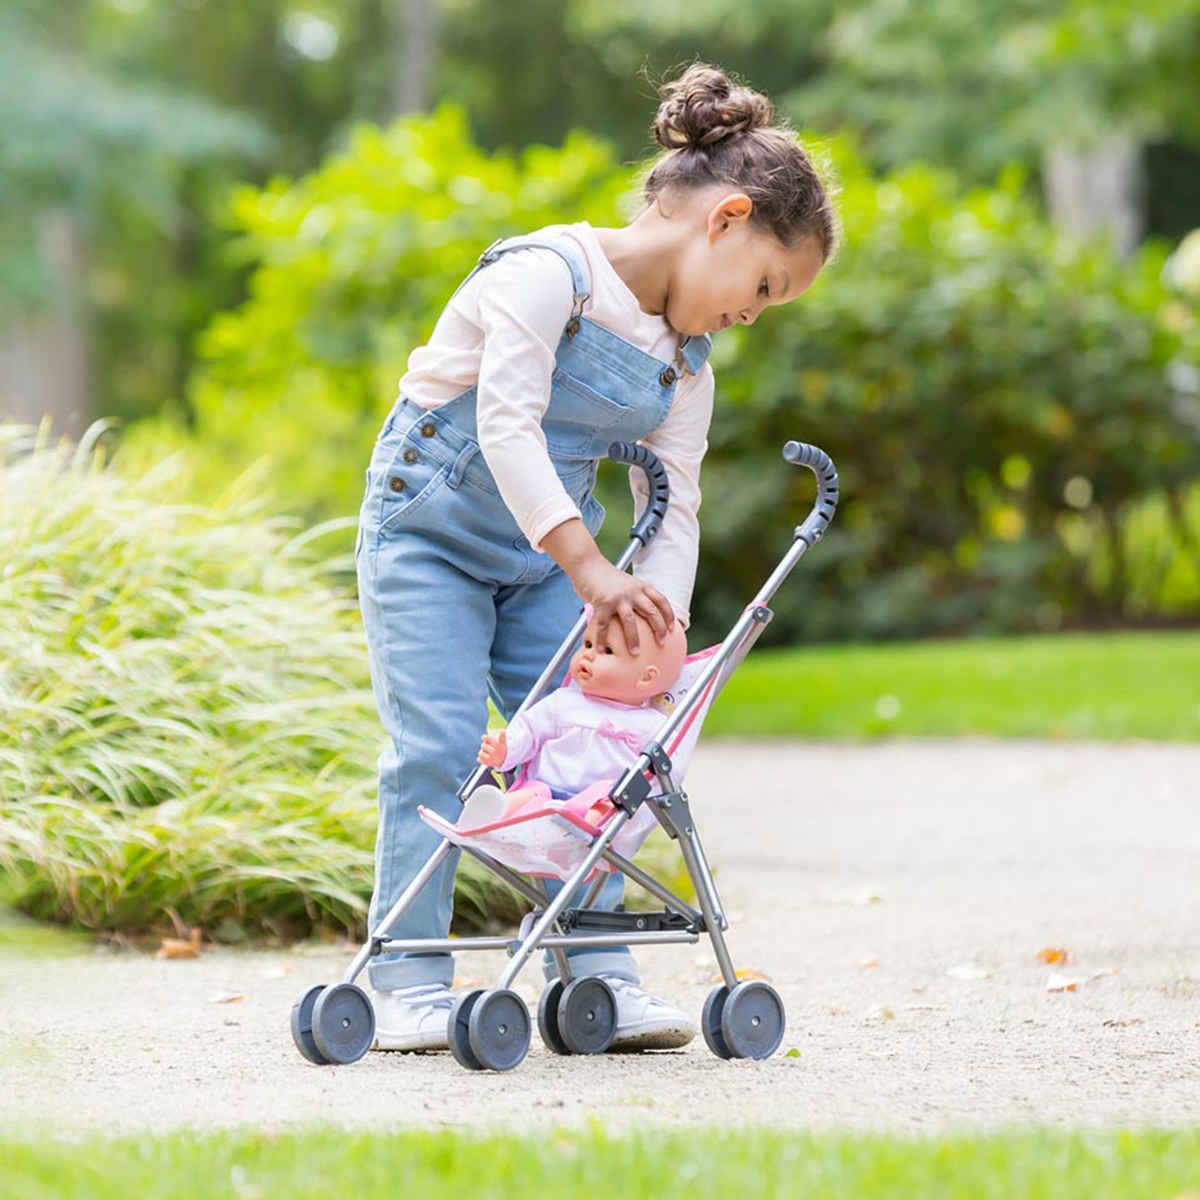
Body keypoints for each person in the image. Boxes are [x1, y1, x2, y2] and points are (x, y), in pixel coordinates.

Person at [356, 62, 838, 1053]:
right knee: (439, 749)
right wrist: (590, 572)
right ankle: (407, 975)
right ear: (726, 219)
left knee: (595, 754)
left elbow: (675, 504)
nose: (753, 314)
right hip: (429, 545)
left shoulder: (684, 367)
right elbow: (506, 428)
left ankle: (600, 974)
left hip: (545, 566)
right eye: (761, 285)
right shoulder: (546, 277)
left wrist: (651, 623)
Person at [461, 611, 688, 829]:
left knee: (605, 797)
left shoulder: (651, 725)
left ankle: (585, 829)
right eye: (588, 644)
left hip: (596, 804)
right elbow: (529, 729)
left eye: (607, 650)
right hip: (545, 793)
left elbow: (667, 771)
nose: (588, 654)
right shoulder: (563, 702)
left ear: (646, 677)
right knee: (529, 793)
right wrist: (506, 750)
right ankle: (494, 812)